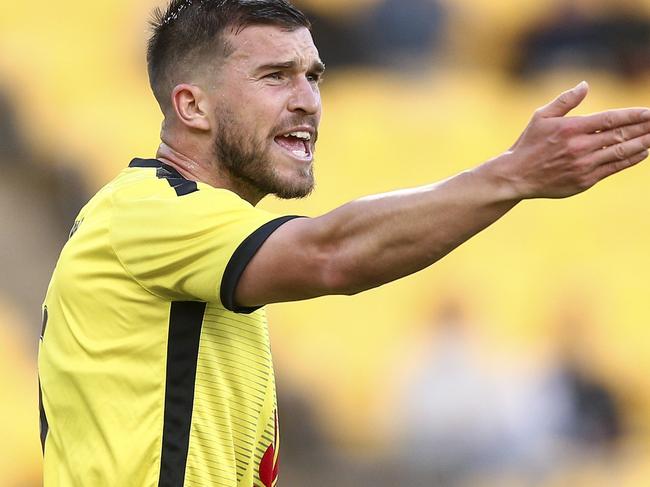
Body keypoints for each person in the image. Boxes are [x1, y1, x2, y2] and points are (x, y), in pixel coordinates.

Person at [37, 0, 650, 485]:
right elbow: (330, 254)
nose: (307, 101)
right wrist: (513, 175)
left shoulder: (203, 241)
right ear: (192, 105)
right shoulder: (147, 212)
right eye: (275, 76)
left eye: (313, 77)